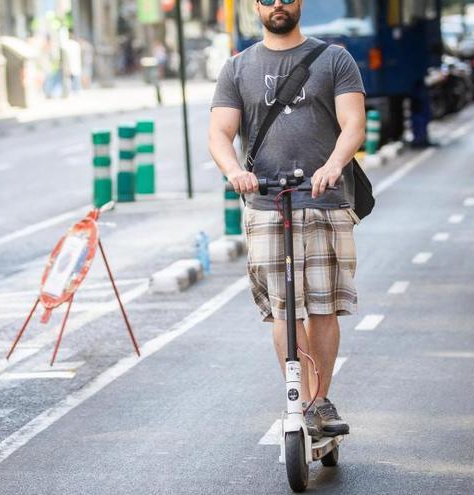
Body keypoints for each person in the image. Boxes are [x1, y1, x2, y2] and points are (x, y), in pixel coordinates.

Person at [208, 0, 365, 439]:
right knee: (284, 308)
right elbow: (220, 132)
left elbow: (353, 123)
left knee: (322, 304)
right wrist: (234, 171)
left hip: (325, 201)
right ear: (256, 7)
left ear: (299, 4)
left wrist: (335, 163)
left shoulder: (335, 58)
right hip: (266, 204)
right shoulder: (238, 68)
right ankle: (301, 396)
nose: (278, 3)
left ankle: (320, 401)